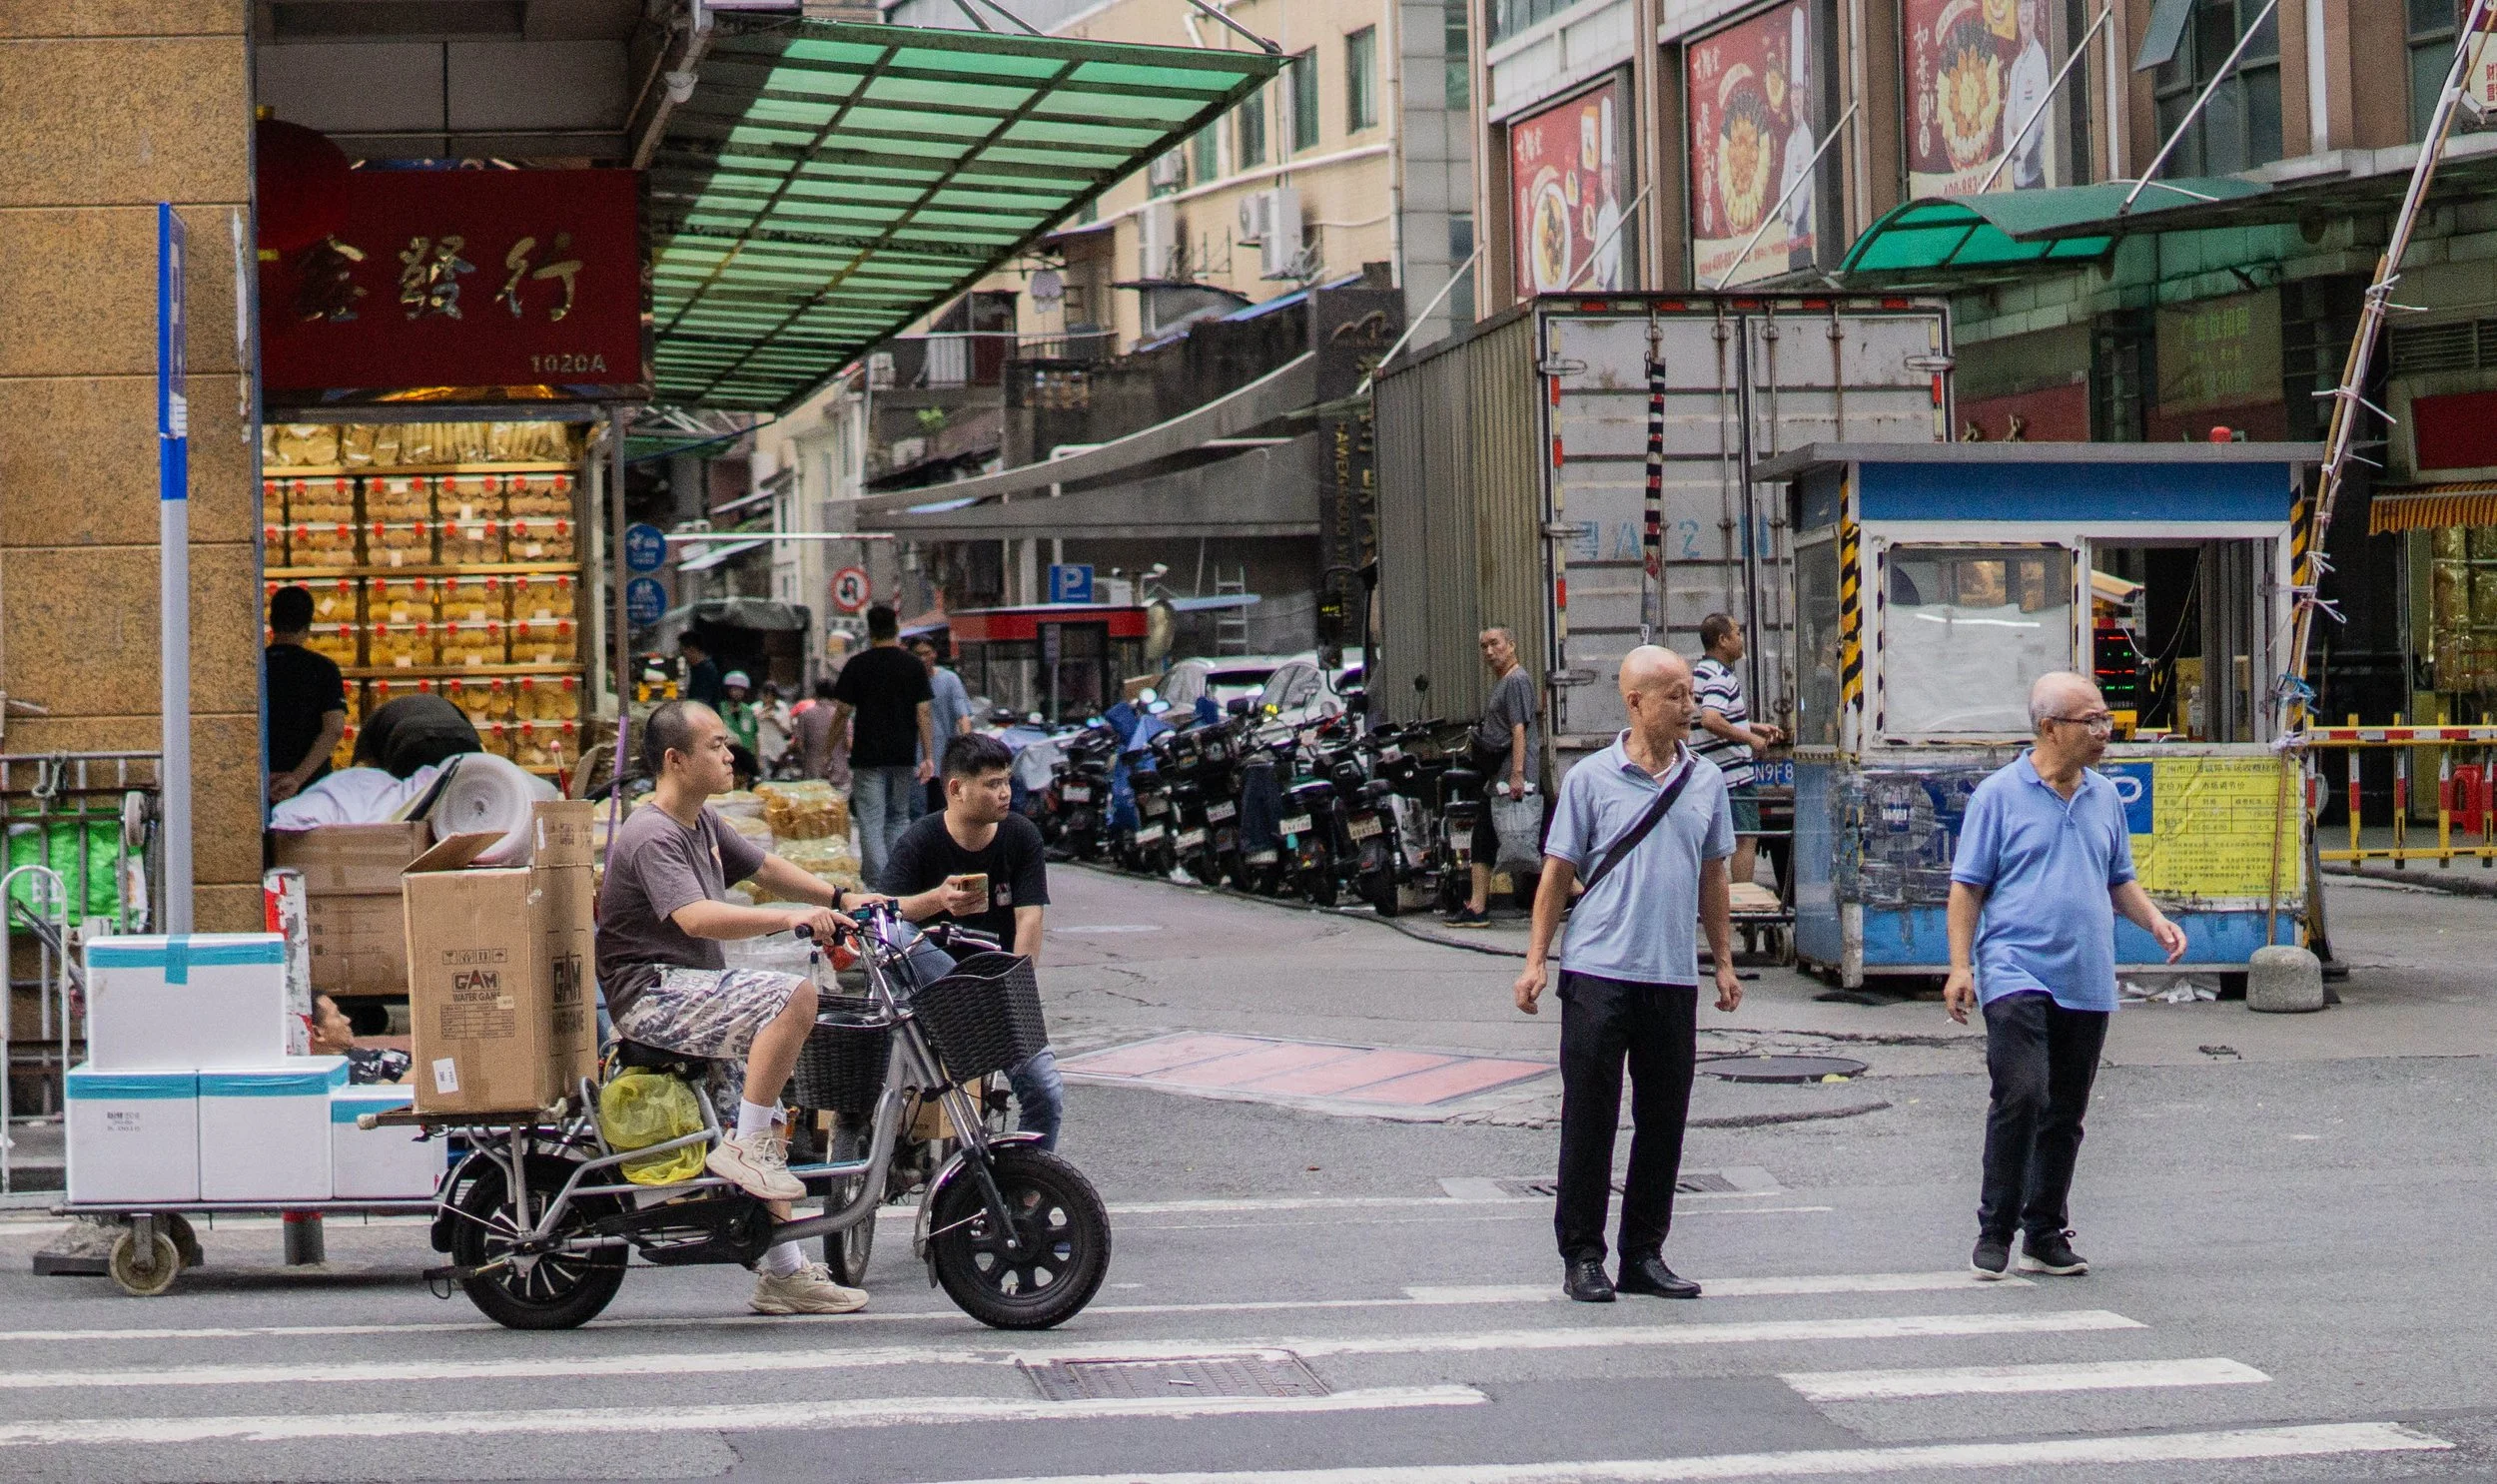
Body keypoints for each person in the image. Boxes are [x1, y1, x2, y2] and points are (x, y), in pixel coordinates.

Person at [595, 699, 981, 1315]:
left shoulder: (700, 821)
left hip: (685, 989)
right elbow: (697, 918)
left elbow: (768, 867)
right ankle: (747, 1150)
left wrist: (841, 898)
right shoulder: (652, 833)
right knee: (791, 996)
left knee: (770, 1117)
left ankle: (784, 1273)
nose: (730, 755)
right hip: (651, 996)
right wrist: (794, 916)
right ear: (675, 759)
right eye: (716, 746)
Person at [1514, 646, 1740, 1304]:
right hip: (1597, 972)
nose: (1688, 707)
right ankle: (1583, 1254)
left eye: (1688, 694)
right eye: (1673, 695)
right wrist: (1534, 961)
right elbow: (1557, 875)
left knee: (1664, 1120)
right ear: (1635, 702)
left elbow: (1715, 874)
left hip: (1671, 976)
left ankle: (1644, 1252)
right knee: (1591, 1117)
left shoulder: (1704, 782)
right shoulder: (1589, 779)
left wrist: (1723, 962)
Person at [1948, 671, 2186, 1281]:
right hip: (2014, 968)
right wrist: (1960, 966)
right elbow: (1967, 886)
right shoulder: (1998, 796)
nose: (2105, 732)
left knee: (2065, 1112)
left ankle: (2045, 1231)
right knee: (2023, 1091)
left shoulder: (2104, 796)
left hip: (2087, 974)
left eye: (2107, 720)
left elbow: (2117, 877)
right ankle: (1995, 1228)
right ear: (2050, 728)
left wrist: (2155, 921)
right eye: (2092, 721)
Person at [883, 732, 1066, 1149]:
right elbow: (885, 912)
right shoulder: (920, 839)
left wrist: (1016, 986)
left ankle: (1026, 1195)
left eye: (1006, 781)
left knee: (1046, 1091)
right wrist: (937, 899)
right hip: (933, 995)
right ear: (956, 789)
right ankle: (969, 996)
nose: (1005, 793)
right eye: (992, 784)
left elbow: (1029, 918)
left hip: (999, 995)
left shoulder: (1021, 836)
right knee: (892, 931)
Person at [829, 604, 935, 890]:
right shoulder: (913, 665)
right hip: (903, 755)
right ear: (896, 628)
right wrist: (928, 756)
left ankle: (880, 884)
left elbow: (841, 712)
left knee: (871, 821)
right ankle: (899, 879)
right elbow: (923, 712)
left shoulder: (857, 665)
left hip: (868, 756)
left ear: (870, 631)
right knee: (899, 817)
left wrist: (829, 749)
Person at [1448, 626, 1538, 927]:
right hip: (1498, 778)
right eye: (1484, 646)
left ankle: (1580, 893)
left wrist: (1517, 774)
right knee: (1488, 838)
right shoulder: (1505, 682)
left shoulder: (1516, 681)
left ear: (1511, 645)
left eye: (1495, 644)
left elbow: (1519, 729)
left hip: (1511, 778)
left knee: (1525, 843)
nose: (1489, 652)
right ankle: (1477, 907)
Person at [1691, 613, 1784, 890]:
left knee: (1713, 845)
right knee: (1746, 837)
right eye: (1737, 634)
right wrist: (1751, 739)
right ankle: (1742, 904)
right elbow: (1710, 719)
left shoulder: (1700, 673)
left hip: (1710, 774)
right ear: (1722, 640)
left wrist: (1753, 726)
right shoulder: (1721, 677)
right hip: (1732, 777)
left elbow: (1710, 715)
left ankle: (1713, 898)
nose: (1741, 639)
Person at [264, 586, 349, 805]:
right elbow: (334, 729)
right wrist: (296, 779)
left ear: (271, 621)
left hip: (261, 787)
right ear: (308, 624)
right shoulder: (323, 668)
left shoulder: (254, 668)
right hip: (311, 787)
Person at [913, 638, 976, 814]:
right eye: (918, 654)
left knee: (941, 812)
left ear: (934, 654)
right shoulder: (907, 681)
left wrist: (968, 748)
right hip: (913, 762)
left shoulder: (949, 680)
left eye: (926, 653)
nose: (922, 658)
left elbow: (963, 717)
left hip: (942, 760)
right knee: (915, 814)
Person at [2004, 0, 2053, 190]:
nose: (2024, 14)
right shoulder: (2016, 65)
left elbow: (2038, 115)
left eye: (2028, 7)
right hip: (2017, 174)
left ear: (2035, 13)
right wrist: (2011, 147)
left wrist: (2019, 149)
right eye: (2021, 7)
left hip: (2033, 176)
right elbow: (2009, 115)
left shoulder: (2038, 60)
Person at [793, 676, 850, 790]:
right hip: (839, 777)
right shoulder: (843, 716)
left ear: (816, 694)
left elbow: (799, 746)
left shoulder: (805, 715)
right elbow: (849, 744)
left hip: (813, 776)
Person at [755, 682, 795, 775]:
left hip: (779, 750)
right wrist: (764, 713)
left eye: (772, 696)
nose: (769, 699)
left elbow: (788, 732)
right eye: (767, 696)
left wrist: (775, 721)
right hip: (763, 750)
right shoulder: (755, 708)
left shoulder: (782, 707)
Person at [719, 670, 759, 754]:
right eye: (735, 689)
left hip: (746, 755)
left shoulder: (748, 711)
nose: (738, 693)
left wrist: (757, 759)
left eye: (741, 690)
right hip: (726, 753)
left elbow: (755, 737)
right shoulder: (720, 708)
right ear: (728, 690)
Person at [680, 634, 725, 708]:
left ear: (692, 649)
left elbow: (702, 700)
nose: (683, 656)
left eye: (683, 652)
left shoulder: (708, 670)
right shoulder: (694, 668)